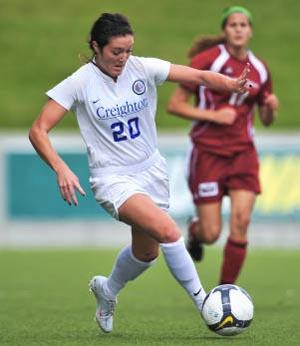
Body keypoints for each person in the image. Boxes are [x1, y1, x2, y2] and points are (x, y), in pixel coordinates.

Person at [28, 12, 250, 333]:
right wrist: (60, 167)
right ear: (96, 47)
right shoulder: (80, 82)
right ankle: (206, 304)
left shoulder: (143, 68)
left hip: (151, 171)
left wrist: (229, 84)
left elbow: (199, 77)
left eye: (128, 50)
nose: (124, 58)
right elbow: (38, 130)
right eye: (116, 51)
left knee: (147, 253)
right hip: (112, 178)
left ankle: (107, 290)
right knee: (170, 231)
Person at [168, 6, 279, 285]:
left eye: (244, 24)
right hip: (208, 153)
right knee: (211, 233)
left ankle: (225, 292)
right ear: (225, 30)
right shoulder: (208, 60)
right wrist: (214, 115)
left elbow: (265, 120)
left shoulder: (261, 69)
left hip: (243, 153)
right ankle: (195, 231)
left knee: (241, 223)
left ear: (251, 30)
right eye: (233, 24)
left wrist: (270, 109)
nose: (239, 29)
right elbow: (175, 105)